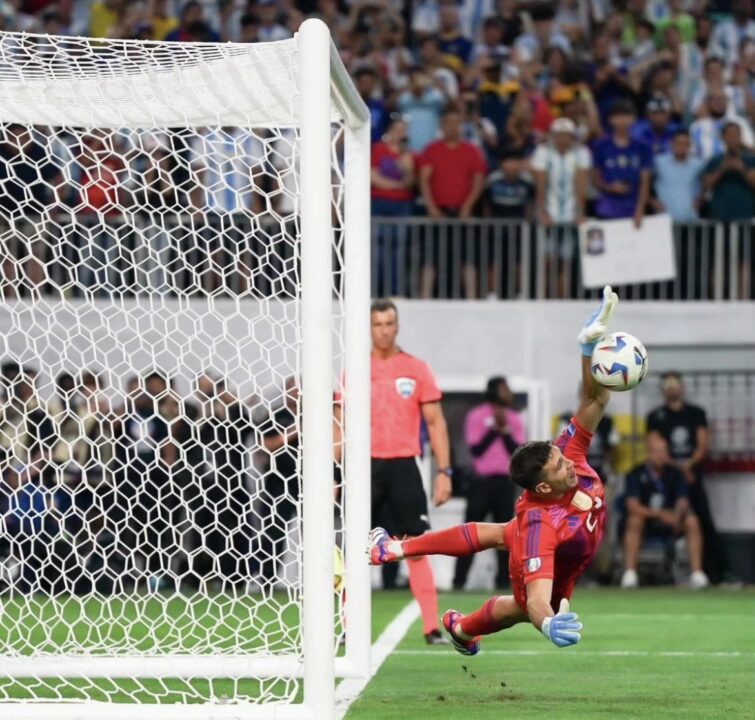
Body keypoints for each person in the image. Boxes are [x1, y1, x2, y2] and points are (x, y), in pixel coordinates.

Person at [370, 286, 621, 655]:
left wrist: (587, 349)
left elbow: (596, 398)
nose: (569, 463)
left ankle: (399, 552)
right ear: (544, 489)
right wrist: (547, 622)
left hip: (563, 543)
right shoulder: (541, 525)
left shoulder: (569, 453)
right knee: (523, 604)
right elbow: (537, 600)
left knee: (500, 534)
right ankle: (454, 617)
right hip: (550, 547)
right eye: (559, 466)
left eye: (561, 457)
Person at [344, 299, 452, 644]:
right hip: (365, 466)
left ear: (398, 325)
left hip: (406, 465)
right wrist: (334, 472)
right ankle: (348, 626)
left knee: (415, 546)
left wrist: (443, 471)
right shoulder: (356, 369)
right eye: (378, 324)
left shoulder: (416, 369)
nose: (384, 330)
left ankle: (431, 627)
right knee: (357, 549)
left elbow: (436, 423)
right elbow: (339, 423)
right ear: (370, 327)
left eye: (389, 323)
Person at [646, 372, 726, 584]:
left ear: (682, 387)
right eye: (667, 384)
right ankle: (671, 572)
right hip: (669, 477)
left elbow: (702, 445)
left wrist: (688, 466)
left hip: (693, 476)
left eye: (675, 384)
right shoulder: (656, 416)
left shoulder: (695, 413)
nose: (671, 388)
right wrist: (678, 469)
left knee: (703, 520)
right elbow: (656, 448)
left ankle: (714, 573)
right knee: (670, 520)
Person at [454, 376, 524, 590]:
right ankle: (459, 581)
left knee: (506, 535)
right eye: (504, 389)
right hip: (481, 483)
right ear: (494, 390)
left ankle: (504, 581)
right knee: (469, 534)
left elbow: (518, 452)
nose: (508, 392)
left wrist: (504, 430)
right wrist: (495, 429)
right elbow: (476, 449)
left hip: (505, 482)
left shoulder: (514, 418)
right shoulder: (477, 416)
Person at [621, 432, 709, 590]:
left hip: (672, 518)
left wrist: (677, 515)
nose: (661, 456)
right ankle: (630, 573)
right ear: (648, 453)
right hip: (647, 519)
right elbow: (632, 505)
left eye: (664, 451)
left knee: (692, 521)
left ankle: (697, 573)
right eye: (657, 452)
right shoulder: (636, 473)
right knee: (634, 520)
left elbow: (683, 500)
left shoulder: (675, 473)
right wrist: (659, 514)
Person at [418, 105, 487, 298]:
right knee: (431, 257)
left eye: (457, 123)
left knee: (468, 257)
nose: (452, 127)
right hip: (438, 211)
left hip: (462, 212)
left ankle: (472, 298)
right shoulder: (431, 150)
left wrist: (467, 206)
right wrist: (431, 207)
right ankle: (425, 297)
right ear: (441, 125)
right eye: (448, 123)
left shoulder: (472, 151)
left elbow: (478, 180)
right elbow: (424, 179)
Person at [530, 117, 590, 298]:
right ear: (553, 136)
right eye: (559, 135)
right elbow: (540, 185)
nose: (563, 139)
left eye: (567, 136)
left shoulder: (581, 153)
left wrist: (580, 212)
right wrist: (542, 212)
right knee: (547, 261)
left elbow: (581, 185)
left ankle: (562, 298)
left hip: (570, 216)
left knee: (565, 261)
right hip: (550, 215)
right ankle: (545, 296)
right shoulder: (543, 152)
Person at [592, 100, 652, 227]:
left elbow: (645, 181)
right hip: (607, 208)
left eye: (626, 115)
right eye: (618, 116)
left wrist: (640, 209)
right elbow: (595, 177)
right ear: (610, 119)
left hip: (633, 208)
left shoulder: (642, 146)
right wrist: (609, 187)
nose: (622, 120)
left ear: (633, 119)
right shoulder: (601, 145)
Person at [652, 128, 705, 222]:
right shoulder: (659, 162)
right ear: (671, 144)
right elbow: (643, 182)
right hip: (664, 219)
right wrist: (652, 201)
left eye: (685, 144)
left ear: (690, 145)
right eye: (678, 143)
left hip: (690, 219)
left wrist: (700, 199)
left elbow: (706, 186)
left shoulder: (698, 165)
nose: (682, 147)